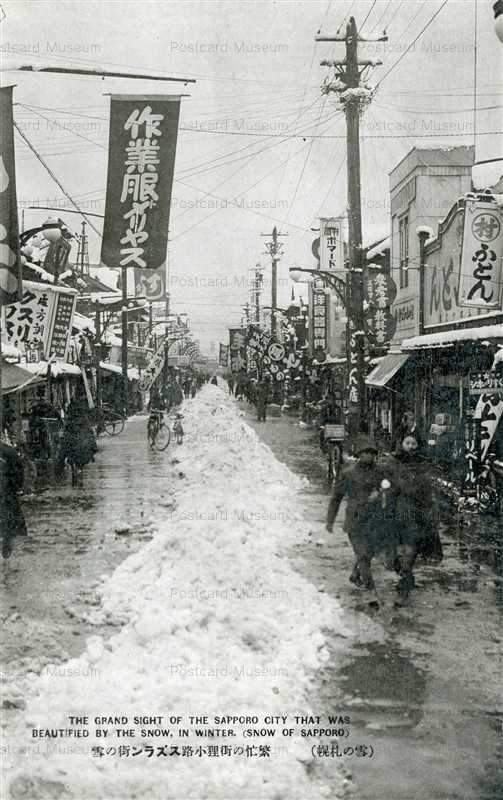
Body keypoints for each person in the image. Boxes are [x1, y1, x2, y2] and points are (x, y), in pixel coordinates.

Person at [326, 435, 391, 603]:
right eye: (365, 453)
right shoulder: (348, 473)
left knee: (368, 553)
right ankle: (371, 591)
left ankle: (356, 575)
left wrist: (381, 493)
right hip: (354, 520)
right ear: (359, 454)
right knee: (362, 555)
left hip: (374, 520)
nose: (369, 456)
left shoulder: (380, 472)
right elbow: (336, 497)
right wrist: (330, 520)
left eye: (372, 453)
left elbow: (389, 490)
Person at [389, 433, 442, 599]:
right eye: (407, 442)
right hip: (400, 506)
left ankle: (406, 569)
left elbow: (428, 485)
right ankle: (403, 568)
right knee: (401, 540)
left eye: (414, 443)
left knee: (415, 541)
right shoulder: (393, 461)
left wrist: (430, 502)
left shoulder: (422, 462)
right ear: (402, 443)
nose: (411, 446)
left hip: (419, 507)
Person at [1, 440, 27, 558]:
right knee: (10, 522)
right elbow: (19, 473)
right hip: (7, 495)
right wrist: (17, 487)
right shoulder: (8, 450)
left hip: (6, 494)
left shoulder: (8, 451)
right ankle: (8, 542)